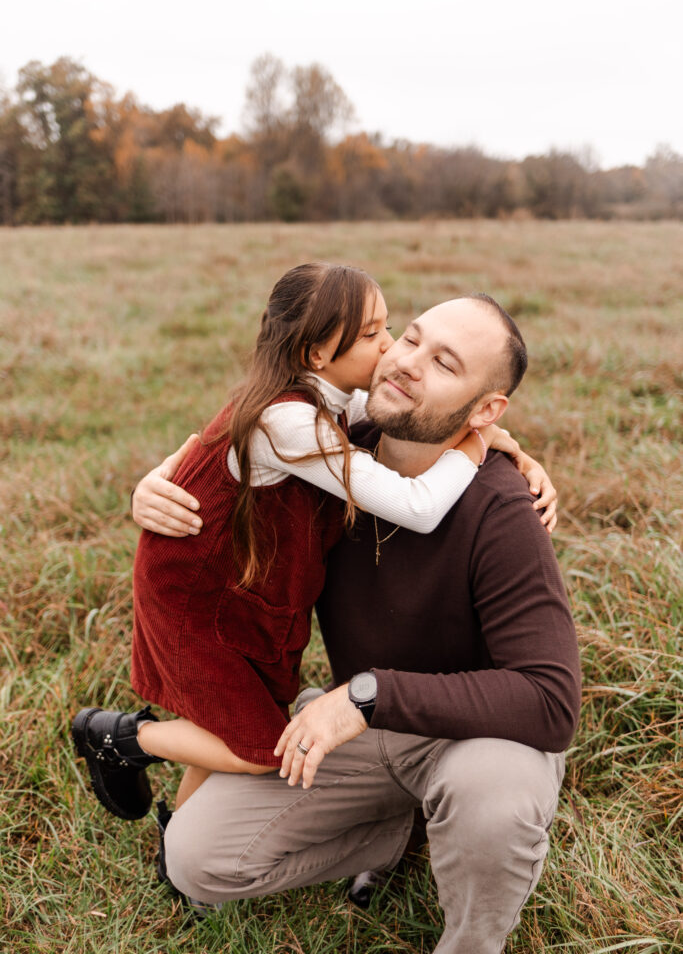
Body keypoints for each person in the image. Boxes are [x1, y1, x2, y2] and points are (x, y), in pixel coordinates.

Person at [131, 293, 580, 954]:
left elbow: (550, 702)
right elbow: (230, 449)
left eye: (443, 363)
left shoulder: (500, 509)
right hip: (367, 728)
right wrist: (152, 488)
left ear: (485, 408)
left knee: (489, 801)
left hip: (481, 736)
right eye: (408, 337)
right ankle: (403, 837)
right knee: (194, 860)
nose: (404, 363)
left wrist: (368, 697)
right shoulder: (334, 455)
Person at [72, 264, 555, 823]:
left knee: (223, 722)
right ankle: (124, 739)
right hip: (196, 597)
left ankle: (176, 842)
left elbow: (421, 418)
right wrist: (474, 449)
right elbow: (417, 507)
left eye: (389, 327)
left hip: (238, 588)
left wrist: (507, 444)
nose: (392, 348)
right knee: (255, 750)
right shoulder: (288, 423)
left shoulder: (328, 398)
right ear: (319, 354)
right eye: (374, 335)